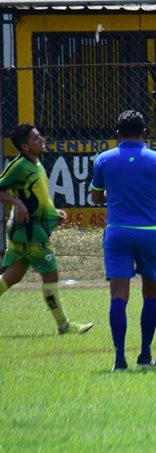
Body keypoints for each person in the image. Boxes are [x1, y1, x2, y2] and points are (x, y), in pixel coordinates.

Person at [89, 110, 156, 370]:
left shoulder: (104, 160)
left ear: (117, 134)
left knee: (118, 296)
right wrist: (154, 193)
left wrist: (117, 193)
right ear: (145, 133)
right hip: (150, 233)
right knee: (151, 294)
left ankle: (119, 359)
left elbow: (96, 199)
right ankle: (146, 354)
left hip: (117, 232)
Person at [0, 124, 93, 336]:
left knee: (13, 276)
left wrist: (52, 213)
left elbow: (35, 198)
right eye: (35, 138)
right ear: (24, 146)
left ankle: (64, 326)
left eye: (39, 135)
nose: (41, 139)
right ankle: (64, 326)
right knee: (50, 276)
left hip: (26, 230)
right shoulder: (20, 166)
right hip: (31, 233)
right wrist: (17, 203)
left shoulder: (36, 163)